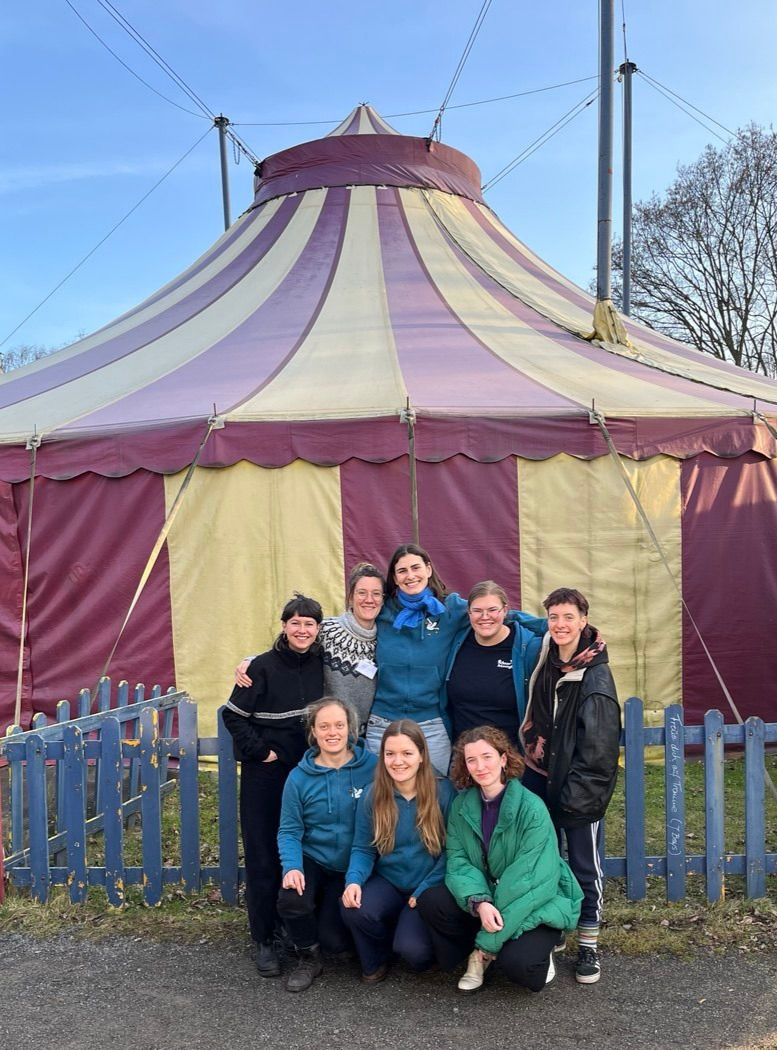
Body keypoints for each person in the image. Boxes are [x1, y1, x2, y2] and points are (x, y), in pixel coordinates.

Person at [418, 726, 582, 994]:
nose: (480, 766)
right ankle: (486, 948)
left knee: (523, 969)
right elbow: (459, 862)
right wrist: (480, 902)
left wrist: (486, 943)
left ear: (503, 759)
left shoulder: (532, 808)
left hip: (534, 900)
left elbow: (529, 880)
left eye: (487, 757)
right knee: (432, 901)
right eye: (471, 760)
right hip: (490, 897)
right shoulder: (461, 806)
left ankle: (487, 951)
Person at [520, 587, 621, 986]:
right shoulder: (549, 655)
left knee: (583, 865)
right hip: (540, 774)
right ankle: (559, 924)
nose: (560, 625)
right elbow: (518, 620)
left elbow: (599, 751)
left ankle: (589, 943)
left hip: (577, 785)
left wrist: (578, 799)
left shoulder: (594, 677)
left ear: (584, 621)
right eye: (554, 617)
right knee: (547, 859)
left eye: (568, 617)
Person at [221, 594, 324, 979]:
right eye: (295, 622)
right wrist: (260, 752)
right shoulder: (261, 667)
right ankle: (263, 938)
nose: (302, 630)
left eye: (309, 624)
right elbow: (233, 716)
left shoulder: (321, 664)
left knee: (298, 852)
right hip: (266, 776)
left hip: (307, 774)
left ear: (318, 629)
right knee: (263, 854)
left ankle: (293, 931)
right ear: (284, 626)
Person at [340, 719, 456, 982]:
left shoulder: (443, 792)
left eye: (407, 753)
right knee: (353, 908)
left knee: (414, 952)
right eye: (390, 754)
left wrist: (424, 888)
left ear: (421, 755)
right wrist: (353, 881)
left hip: (427, 887)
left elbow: (453, 852)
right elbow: (363, 848)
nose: (398, 761)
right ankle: (377, 958)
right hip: (389, 881)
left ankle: (406, 937)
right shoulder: (374, 794)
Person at [276, 697, 377, 992]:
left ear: (350, 728)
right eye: (324, 726)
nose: (332, 732)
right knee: (292, 898)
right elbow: (289, 830)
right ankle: (308, 957)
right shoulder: (298, 778)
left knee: (335, 940)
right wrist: (292, 867)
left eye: (339, 725)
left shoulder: (372, 768)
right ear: (313, 732)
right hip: (315, 858)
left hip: (357, 860)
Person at [236, 563, 385, 737]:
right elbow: (290, 645)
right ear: (351, 597)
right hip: (329, 734)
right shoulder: (329, 630)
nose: (369, 599)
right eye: (362, 593)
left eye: (376, 593)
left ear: (383, 599)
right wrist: (251, 661)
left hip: (368, 735)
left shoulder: (386, 636)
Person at [368, 543, 469, 773]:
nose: (410, 576)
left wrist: (548, 628)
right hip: (382, 721)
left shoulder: (449, 609)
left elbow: (492, 612)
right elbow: (351, 619)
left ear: (429, 569)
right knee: (379, 789)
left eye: (416, 568)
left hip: (430, 723)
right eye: (402, 571)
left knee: (437, 788)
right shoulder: (381, 610)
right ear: (394, 578)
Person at [445, 580, 547, 751]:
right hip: (463, 755)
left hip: (510, 756)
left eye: (492, 610)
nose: (485, 617)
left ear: (505, 610)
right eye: (477, 611)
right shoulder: (456, 642)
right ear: (468, 613)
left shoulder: (528, 649)